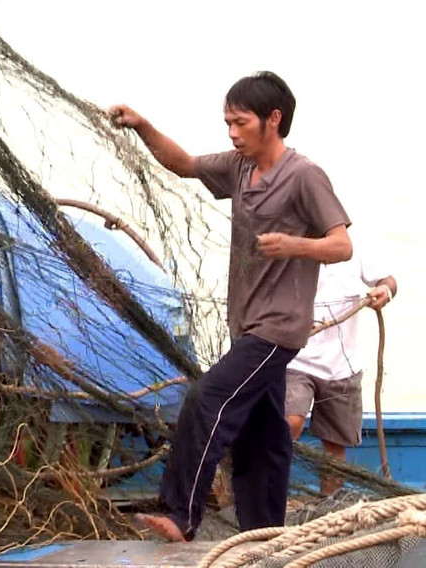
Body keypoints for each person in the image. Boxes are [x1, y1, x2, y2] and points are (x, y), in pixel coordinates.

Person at [110, 71, 352, 541]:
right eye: (227, 123)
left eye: (240, 122)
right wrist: (143, 126)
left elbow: (341, 245)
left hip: (277, 328)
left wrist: (293, 245)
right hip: (246, 323)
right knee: (263, 435)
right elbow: (183, 164)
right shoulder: (239, 167)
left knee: (208, 398)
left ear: (273, 120)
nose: (232, 132)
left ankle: (180, 515)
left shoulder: (304, 176)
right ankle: (265, 530)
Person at [286, 249, 397, 496]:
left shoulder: (355, 250)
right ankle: (270, 501)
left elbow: (389, 281)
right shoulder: (291, 245)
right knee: (289, 422)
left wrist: (385, 291)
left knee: (335, 445)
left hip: (342, 368)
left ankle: (327, 510)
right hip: (295, 360)